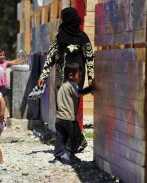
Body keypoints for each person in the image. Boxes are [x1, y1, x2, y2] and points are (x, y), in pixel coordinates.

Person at [37, 7, 95, 150]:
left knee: (70, 111)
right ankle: (76, 140)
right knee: (63, 111)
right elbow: (51, 56)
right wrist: (43, 75)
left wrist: (92, 81)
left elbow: (90, 60)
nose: (61, 21)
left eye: (62, 18)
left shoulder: (83, 37)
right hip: (60, 80)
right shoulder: (59, 37)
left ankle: (74, 141)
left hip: (76, 81)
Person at [53, 63, 94, 164]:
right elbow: (79, 93)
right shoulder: (72, 85)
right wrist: (91, 88)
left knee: (61, 138)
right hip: (69, 119)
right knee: (76, 138)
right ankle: (69, 155)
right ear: (71, 75)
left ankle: (57, 158)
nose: (79, 77)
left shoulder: (62, 86)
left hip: (59, 119)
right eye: (78, 75)